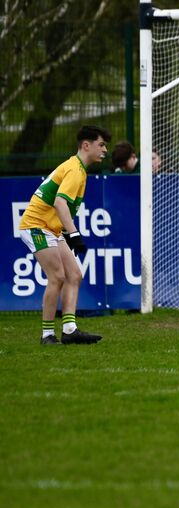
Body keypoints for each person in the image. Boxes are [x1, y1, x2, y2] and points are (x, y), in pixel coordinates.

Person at [18, 125, 111, 345]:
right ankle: (47, 335)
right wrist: (75, 234)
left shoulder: (78, 169)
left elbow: (61, 206)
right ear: (86, 145)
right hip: (35, 226)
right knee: (57, 276)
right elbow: (60, 203)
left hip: (50, 228)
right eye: (101, 144)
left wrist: (67, 234)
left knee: (74, 274)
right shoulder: (75, 170)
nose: (105, 149)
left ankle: (69, 330)